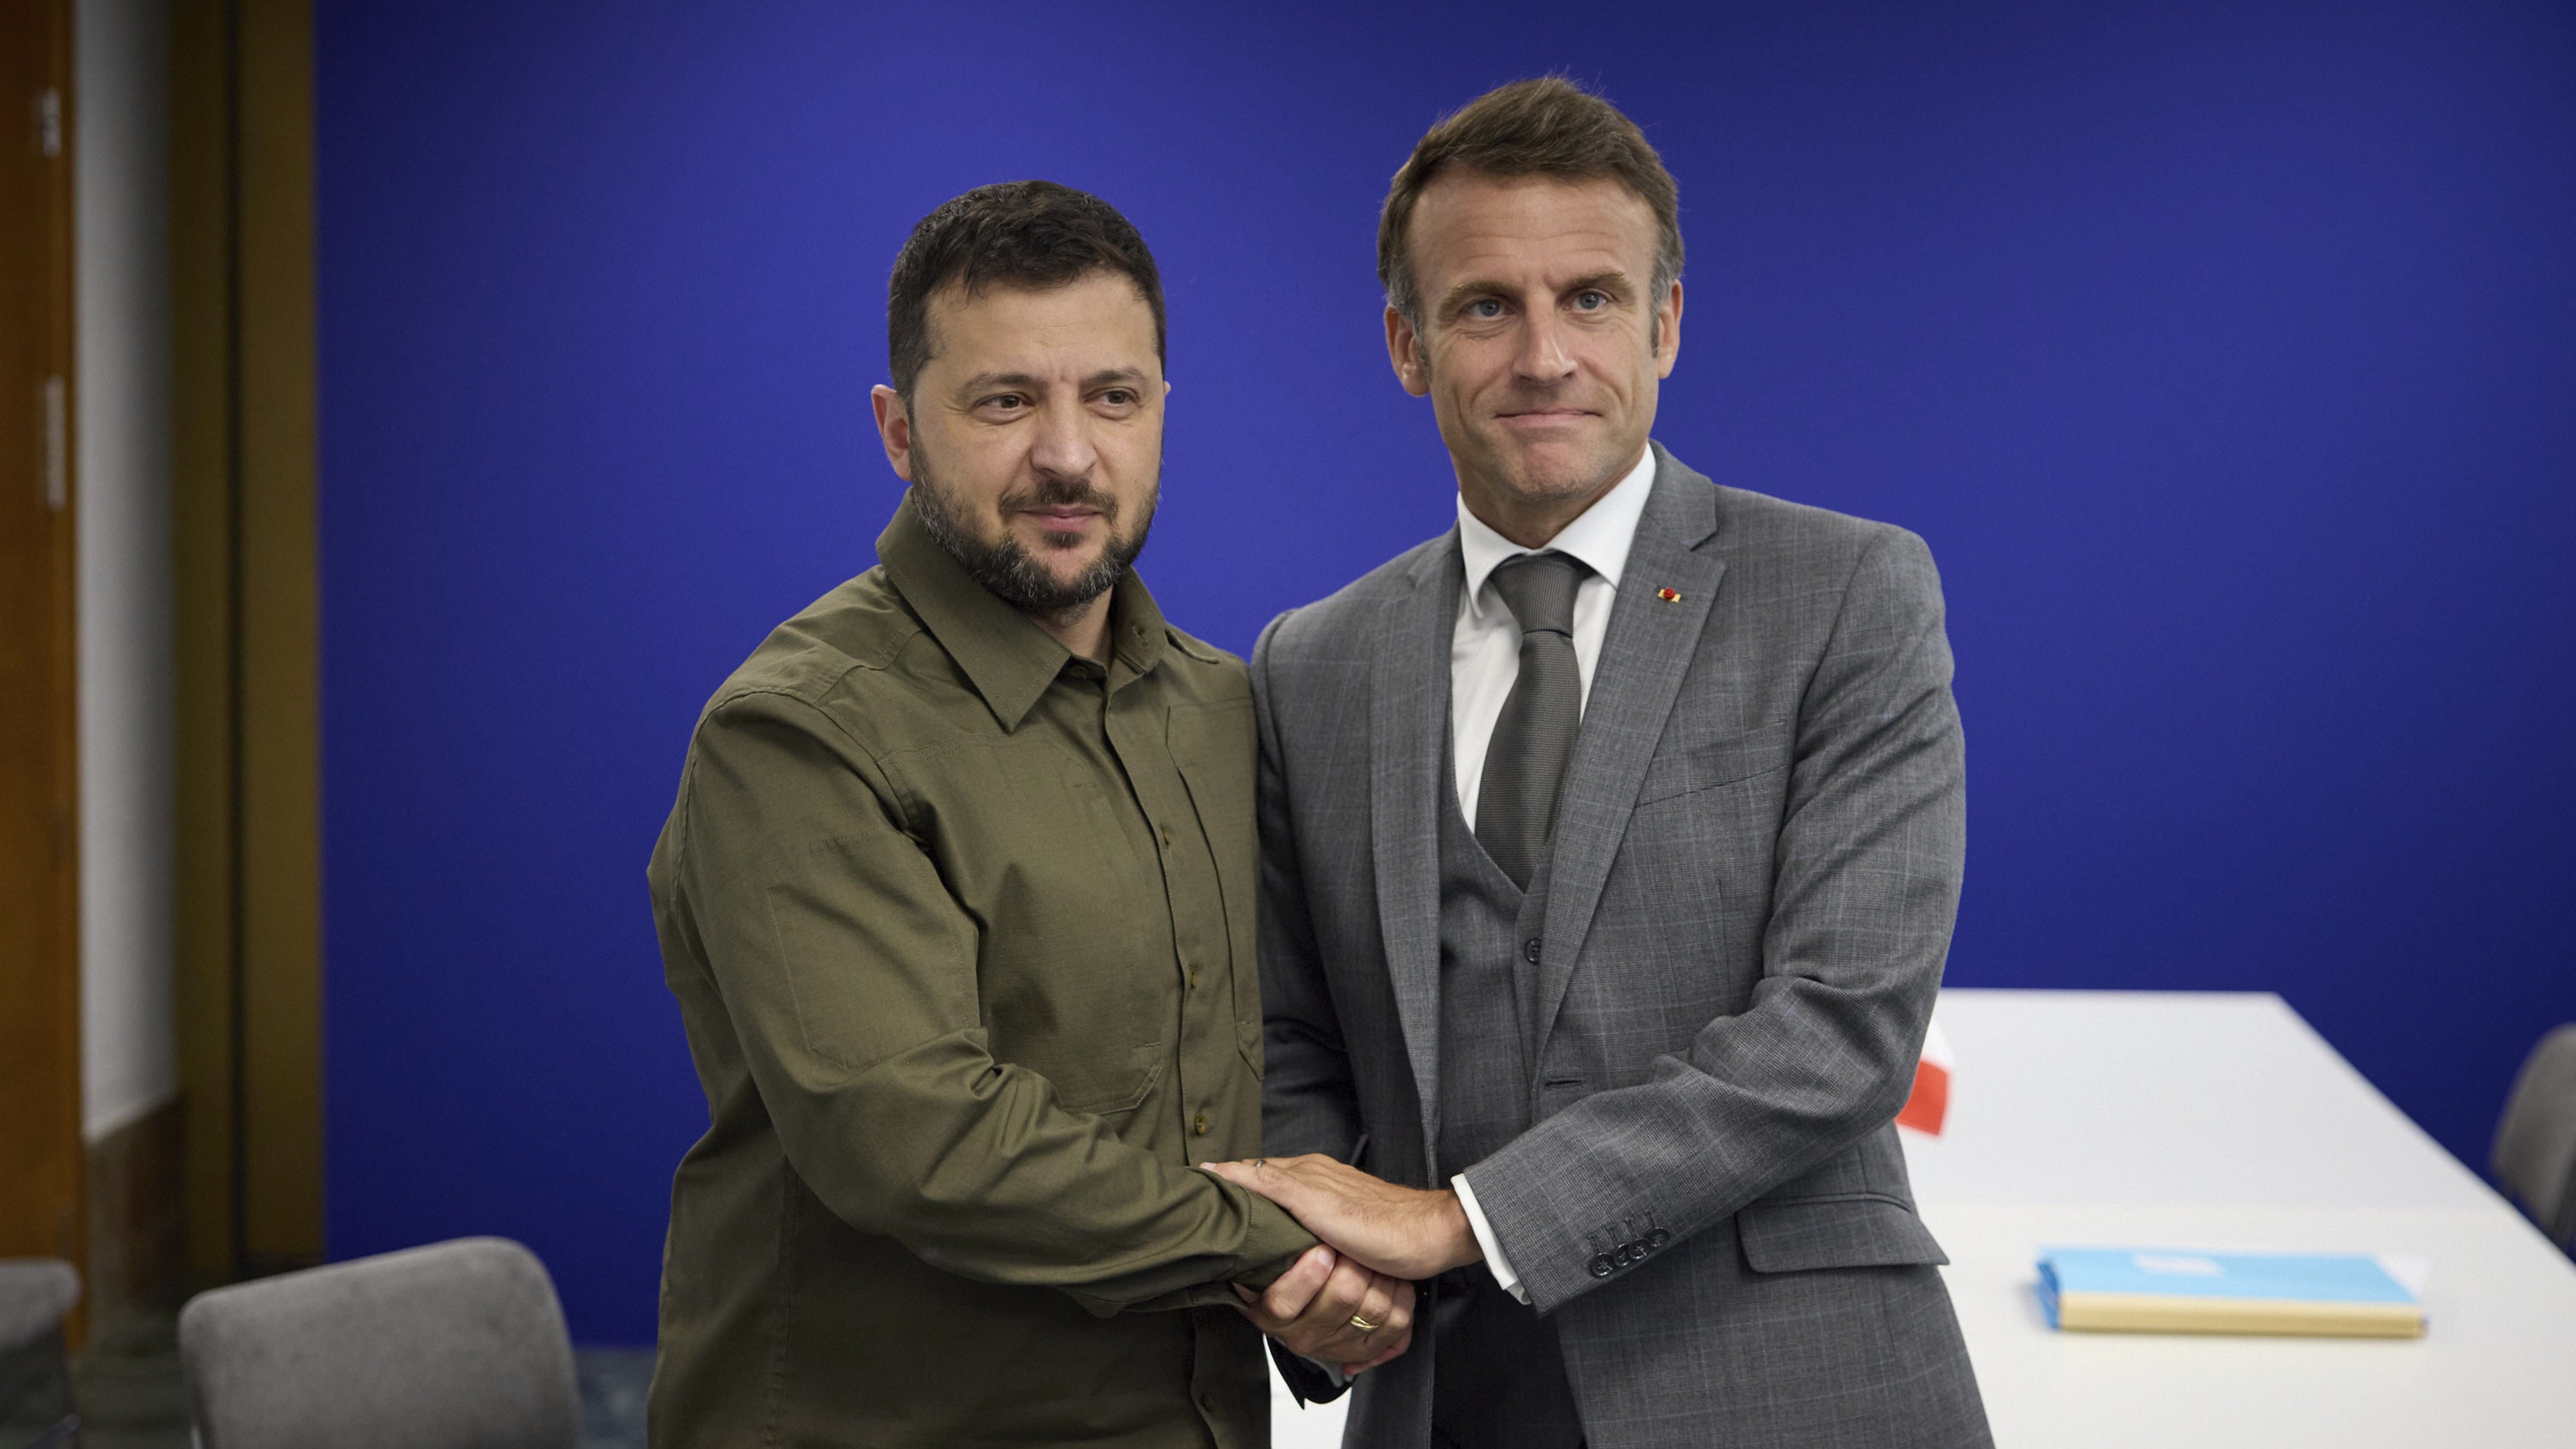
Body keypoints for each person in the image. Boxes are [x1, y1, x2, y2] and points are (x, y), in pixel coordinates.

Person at [1205, 80, 1993, 1447]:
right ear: (1406, 342)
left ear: (1666, 323)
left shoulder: (1848, 592)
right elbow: (1292, 1032)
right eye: (1484, 305)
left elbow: (1846, 1027)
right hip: (1441, 1392)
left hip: (1788, 1384)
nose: (1544, 354)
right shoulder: (1309, 662)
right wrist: (1319, 1258)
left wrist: (1464, 1220)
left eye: (1590, 297)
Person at [646, 180, 1412, 1449]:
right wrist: (1281, 1250)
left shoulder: (1225, 711)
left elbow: (1279, 1049)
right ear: (899, 429)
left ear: (1162, 413)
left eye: (1111, 397)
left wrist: (1342, 1271)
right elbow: (915, 1138)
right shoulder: (797, 732)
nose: (1068, 453)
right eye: (1005, 401)